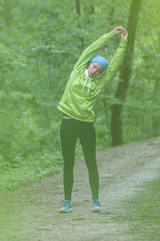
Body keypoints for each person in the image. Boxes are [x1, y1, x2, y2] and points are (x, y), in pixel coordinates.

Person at [57, 26, 128, 213]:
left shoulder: (99, 83)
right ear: (90, 64)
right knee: (69, 162)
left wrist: (123, 43)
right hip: (67, 122)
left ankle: (96, 201)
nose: (95, 70)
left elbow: (113, 66)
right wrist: (109, 36)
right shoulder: (78, 70)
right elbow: (91, 49)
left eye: (99, 69)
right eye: (94, 65)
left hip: (86, 125)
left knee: (91, 162)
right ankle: (66, 202)